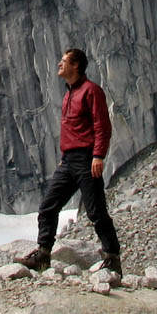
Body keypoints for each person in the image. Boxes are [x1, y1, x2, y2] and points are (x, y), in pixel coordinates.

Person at [16, 48, 122, 275]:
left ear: (76, 65)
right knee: (48, 206)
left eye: (64, 61)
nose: (59, 64)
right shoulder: (69, 94)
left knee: (96, 211)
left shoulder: (91, 91)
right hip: (69, 161)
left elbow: (102, 126)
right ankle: (43, 254)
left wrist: (98, 156)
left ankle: (112, 258)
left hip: (86, 159)